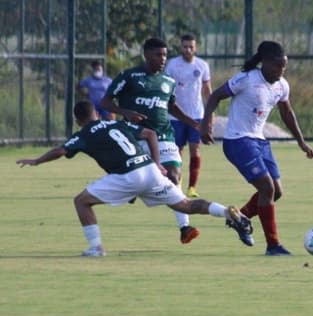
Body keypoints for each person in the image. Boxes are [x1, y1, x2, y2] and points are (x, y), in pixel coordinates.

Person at [16, 101, 253, 257]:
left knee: (81, 201)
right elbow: (150, 133)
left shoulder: (84, 133)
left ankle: (96, 248)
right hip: (149, 169)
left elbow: (60, 150)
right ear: (97, 114)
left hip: (127, 176)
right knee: (186, 205)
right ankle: (228, 212)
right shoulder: (116, 123)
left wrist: (37, 161)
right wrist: (158, 163)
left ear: (79, 120)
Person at [201, 40, 313, 256]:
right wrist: (206, 122)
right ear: (264, 63)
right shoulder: (246, 79)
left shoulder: (282, 85)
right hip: (238, 140)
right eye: (277, 66)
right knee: (267, 188)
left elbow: (287, 113)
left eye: (284, 67)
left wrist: (301, 141)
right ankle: (273, 245)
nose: (280, 71)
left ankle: (240, 217)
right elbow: (216, 95)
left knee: (276, 192)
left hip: (259, 141)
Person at [100, 37, 208, 246]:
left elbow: (172, 107)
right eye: (158, 55)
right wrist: (126, 112)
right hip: (135, 137)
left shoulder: (167, 81)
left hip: (164, 137)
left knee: (173, 175)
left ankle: (185, 227)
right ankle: (137, 191)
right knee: (139, 181)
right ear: (146, 55)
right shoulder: (129, 76)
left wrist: (194, 124)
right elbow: (105, 101)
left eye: (165, 55)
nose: (162, 59)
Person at [164, 34, 212, 198]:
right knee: (176, 151)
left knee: (195, 149)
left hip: (196, 116)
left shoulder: (202, 65)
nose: (188, 50)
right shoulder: (172, 65)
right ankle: (177, 183)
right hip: (175, 116)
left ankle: (192, 187)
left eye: (191, 47)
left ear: (195, 47)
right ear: (181, 47)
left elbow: (207, 91)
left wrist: (209, 116)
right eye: (185, 46)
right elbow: (165, 88)